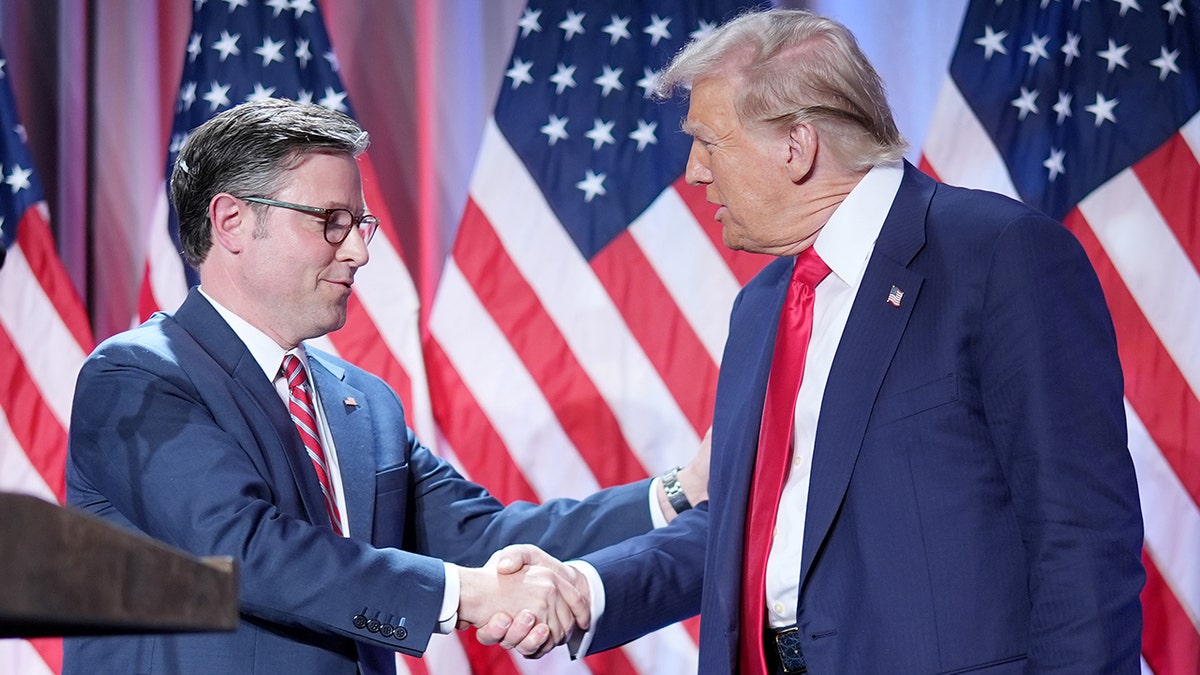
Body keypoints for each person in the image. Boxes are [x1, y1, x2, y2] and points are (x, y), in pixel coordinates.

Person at [486, 8, 1146, 673]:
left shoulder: (995, 257)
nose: (692, 172)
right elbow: (754, 528)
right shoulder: (763, 305)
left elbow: (1081, 535)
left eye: (709, 142)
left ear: (797, 146)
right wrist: (589, 587)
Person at [63, 98, 707, 674]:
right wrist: (470, 595)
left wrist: (678, 493)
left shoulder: (362, 404)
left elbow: (483, 538)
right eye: (331, 221)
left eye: (360, 225)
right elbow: (243, 551)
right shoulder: (138, 376)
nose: (358, 252)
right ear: (231, 222)